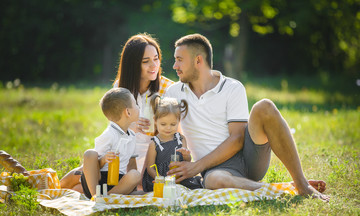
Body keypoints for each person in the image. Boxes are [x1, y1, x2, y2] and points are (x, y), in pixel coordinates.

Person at [166, 33, 329, 201]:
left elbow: (237, 138)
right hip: (216, 170)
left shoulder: (232, 88)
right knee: (214, 180)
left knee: (264, 106)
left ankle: (301, 183)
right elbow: (165, 128)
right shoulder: (173, 93)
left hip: (249, 158)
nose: (174, 65)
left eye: (179, 59)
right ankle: (279, 189)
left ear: (198, 61)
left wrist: (195, 167)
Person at [60, 33, 174, 192]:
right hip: (122, 153)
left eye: (156, 58)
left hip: (150, 157)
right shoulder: (121, 86)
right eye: (146, 61)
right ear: (133, 65)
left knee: (82, 187)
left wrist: (160, 126)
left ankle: (97, 195)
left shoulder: (168, 88)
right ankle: (48, 190)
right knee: (80, 175)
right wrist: (131, 126)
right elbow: (114, 127)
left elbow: (175, 131)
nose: (154, 65)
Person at [81, 88, 141, 199]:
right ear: (128, 112)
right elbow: (93, 167)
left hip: (117, 183)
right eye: (136, 104)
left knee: (135, 174)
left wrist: (133, 186)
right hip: (98, 181)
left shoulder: (132, 136)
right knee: (90, 154)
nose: (138, 107)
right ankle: (96, 197)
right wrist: (104, 159)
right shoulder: (109, 135)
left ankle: (107, 197)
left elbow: (132, 164)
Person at [141, 95, 202, 192]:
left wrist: (186, 155)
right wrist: (160, 179)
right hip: (160, 178)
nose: (168, 128)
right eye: (163, 124)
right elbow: (150, 167)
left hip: (178, 177)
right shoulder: (154, 143)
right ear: (155, 121)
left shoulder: (181, 139)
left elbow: (187, 161)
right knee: (163, 191)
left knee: (194, 186)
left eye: (173, 124)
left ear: (178, 121)